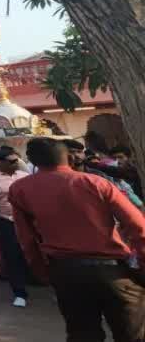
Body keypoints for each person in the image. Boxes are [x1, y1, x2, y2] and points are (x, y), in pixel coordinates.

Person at [10, 137, 145, 340]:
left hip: (65, 272)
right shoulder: (96, 182)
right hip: (112, 271)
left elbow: (26, 238)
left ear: (31, 159)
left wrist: (43, 272)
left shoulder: (20, 189)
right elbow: (138, 227)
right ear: (69, 158)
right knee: (132, 334)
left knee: (82, 333)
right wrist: (141, 264)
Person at [0, 149, 30, 307]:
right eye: (11, 161)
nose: (16, 164)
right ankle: (19, 292)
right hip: (6, 222)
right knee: (12, 256)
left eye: (17, 160)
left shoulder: (24, 176)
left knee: (31, 253)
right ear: (0, 162)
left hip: (28, 221)